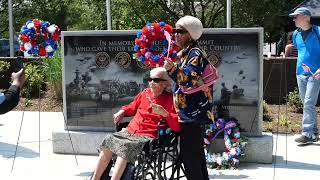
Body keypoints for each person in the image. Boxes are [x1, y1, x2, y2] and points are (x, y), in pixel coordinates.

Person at [91, 67, 180, 180]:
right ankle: (95, 178)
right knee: (108, 140)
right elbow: (132, 107)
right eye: (150, 79)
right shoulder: (145, 93)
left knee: (124, 147)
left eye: (156, 80)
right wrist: (122, 111)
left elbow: (177, 126)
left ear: (164, 84)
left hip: (147, 135)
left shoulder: (170, 99)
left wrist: (165, 114)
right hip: (131, 130)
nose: (151, 82)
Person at [164, 15, 213, 180]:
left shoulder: (194, 53)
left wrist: (172, 70)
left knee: (190, 158)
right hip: (189, 112)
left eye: (180, 31)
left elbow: (189, 80)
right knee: (196, 156)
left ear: (190, 34)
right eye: (175, 31)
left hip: (192, 113)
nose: (176, 34)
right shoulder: (186, 53)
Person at [289, 7, 320, 143]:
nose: (294, 19)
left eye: (296, 16)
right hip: (300, 74)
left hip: (315, 74)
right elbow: (301, 51)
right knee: (307, 104)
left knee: (308, 102)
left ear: (306, 17)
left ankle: (306, 133)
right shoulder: (296, 34)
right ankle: (314, 133)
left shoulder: (318, 31)